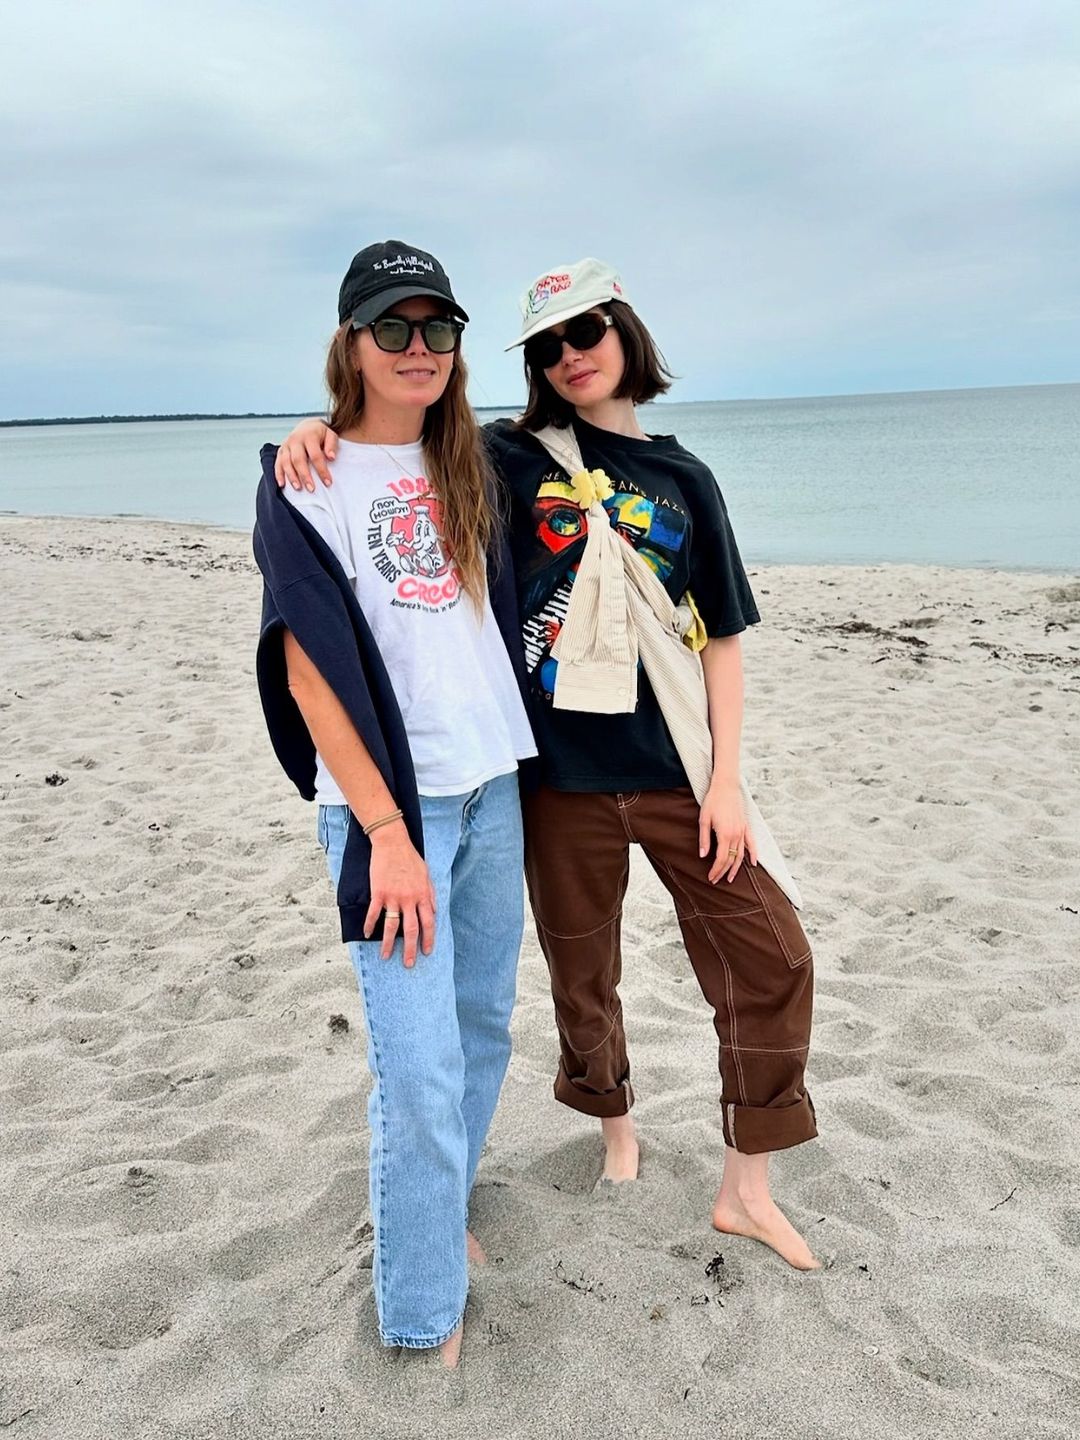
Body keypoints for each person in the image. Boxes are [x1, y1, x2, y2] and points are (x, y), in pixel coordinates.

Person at [274, 257, 820, 1270]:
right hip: (554, 775)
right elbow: (386, 436)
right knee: (582, 973)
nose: (571, 357)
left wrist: (730, 780)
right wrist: (312, 433)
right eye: (549, 346)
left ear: (626, 335)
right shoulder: (503, 457)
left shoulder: (687, 478)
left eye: (588, 334)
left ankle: (747, 1188)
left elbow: (723, 638)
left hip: (672, 770)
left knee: (772, 957)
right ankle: (616, 1133)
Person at [253, 240, 537, 1366]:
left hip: (496, 788)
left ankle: (439, 1213)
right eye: (394, 329)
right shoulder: (305, 478)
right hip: (392, 812)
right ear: (351, 345)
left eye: (440, 330)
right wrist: (384, 834)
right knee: (415, 1072)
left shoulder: (477, 461)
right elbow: (307, 670)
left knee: (479, 1034)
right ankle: (422, 1318)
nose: (419, 350)